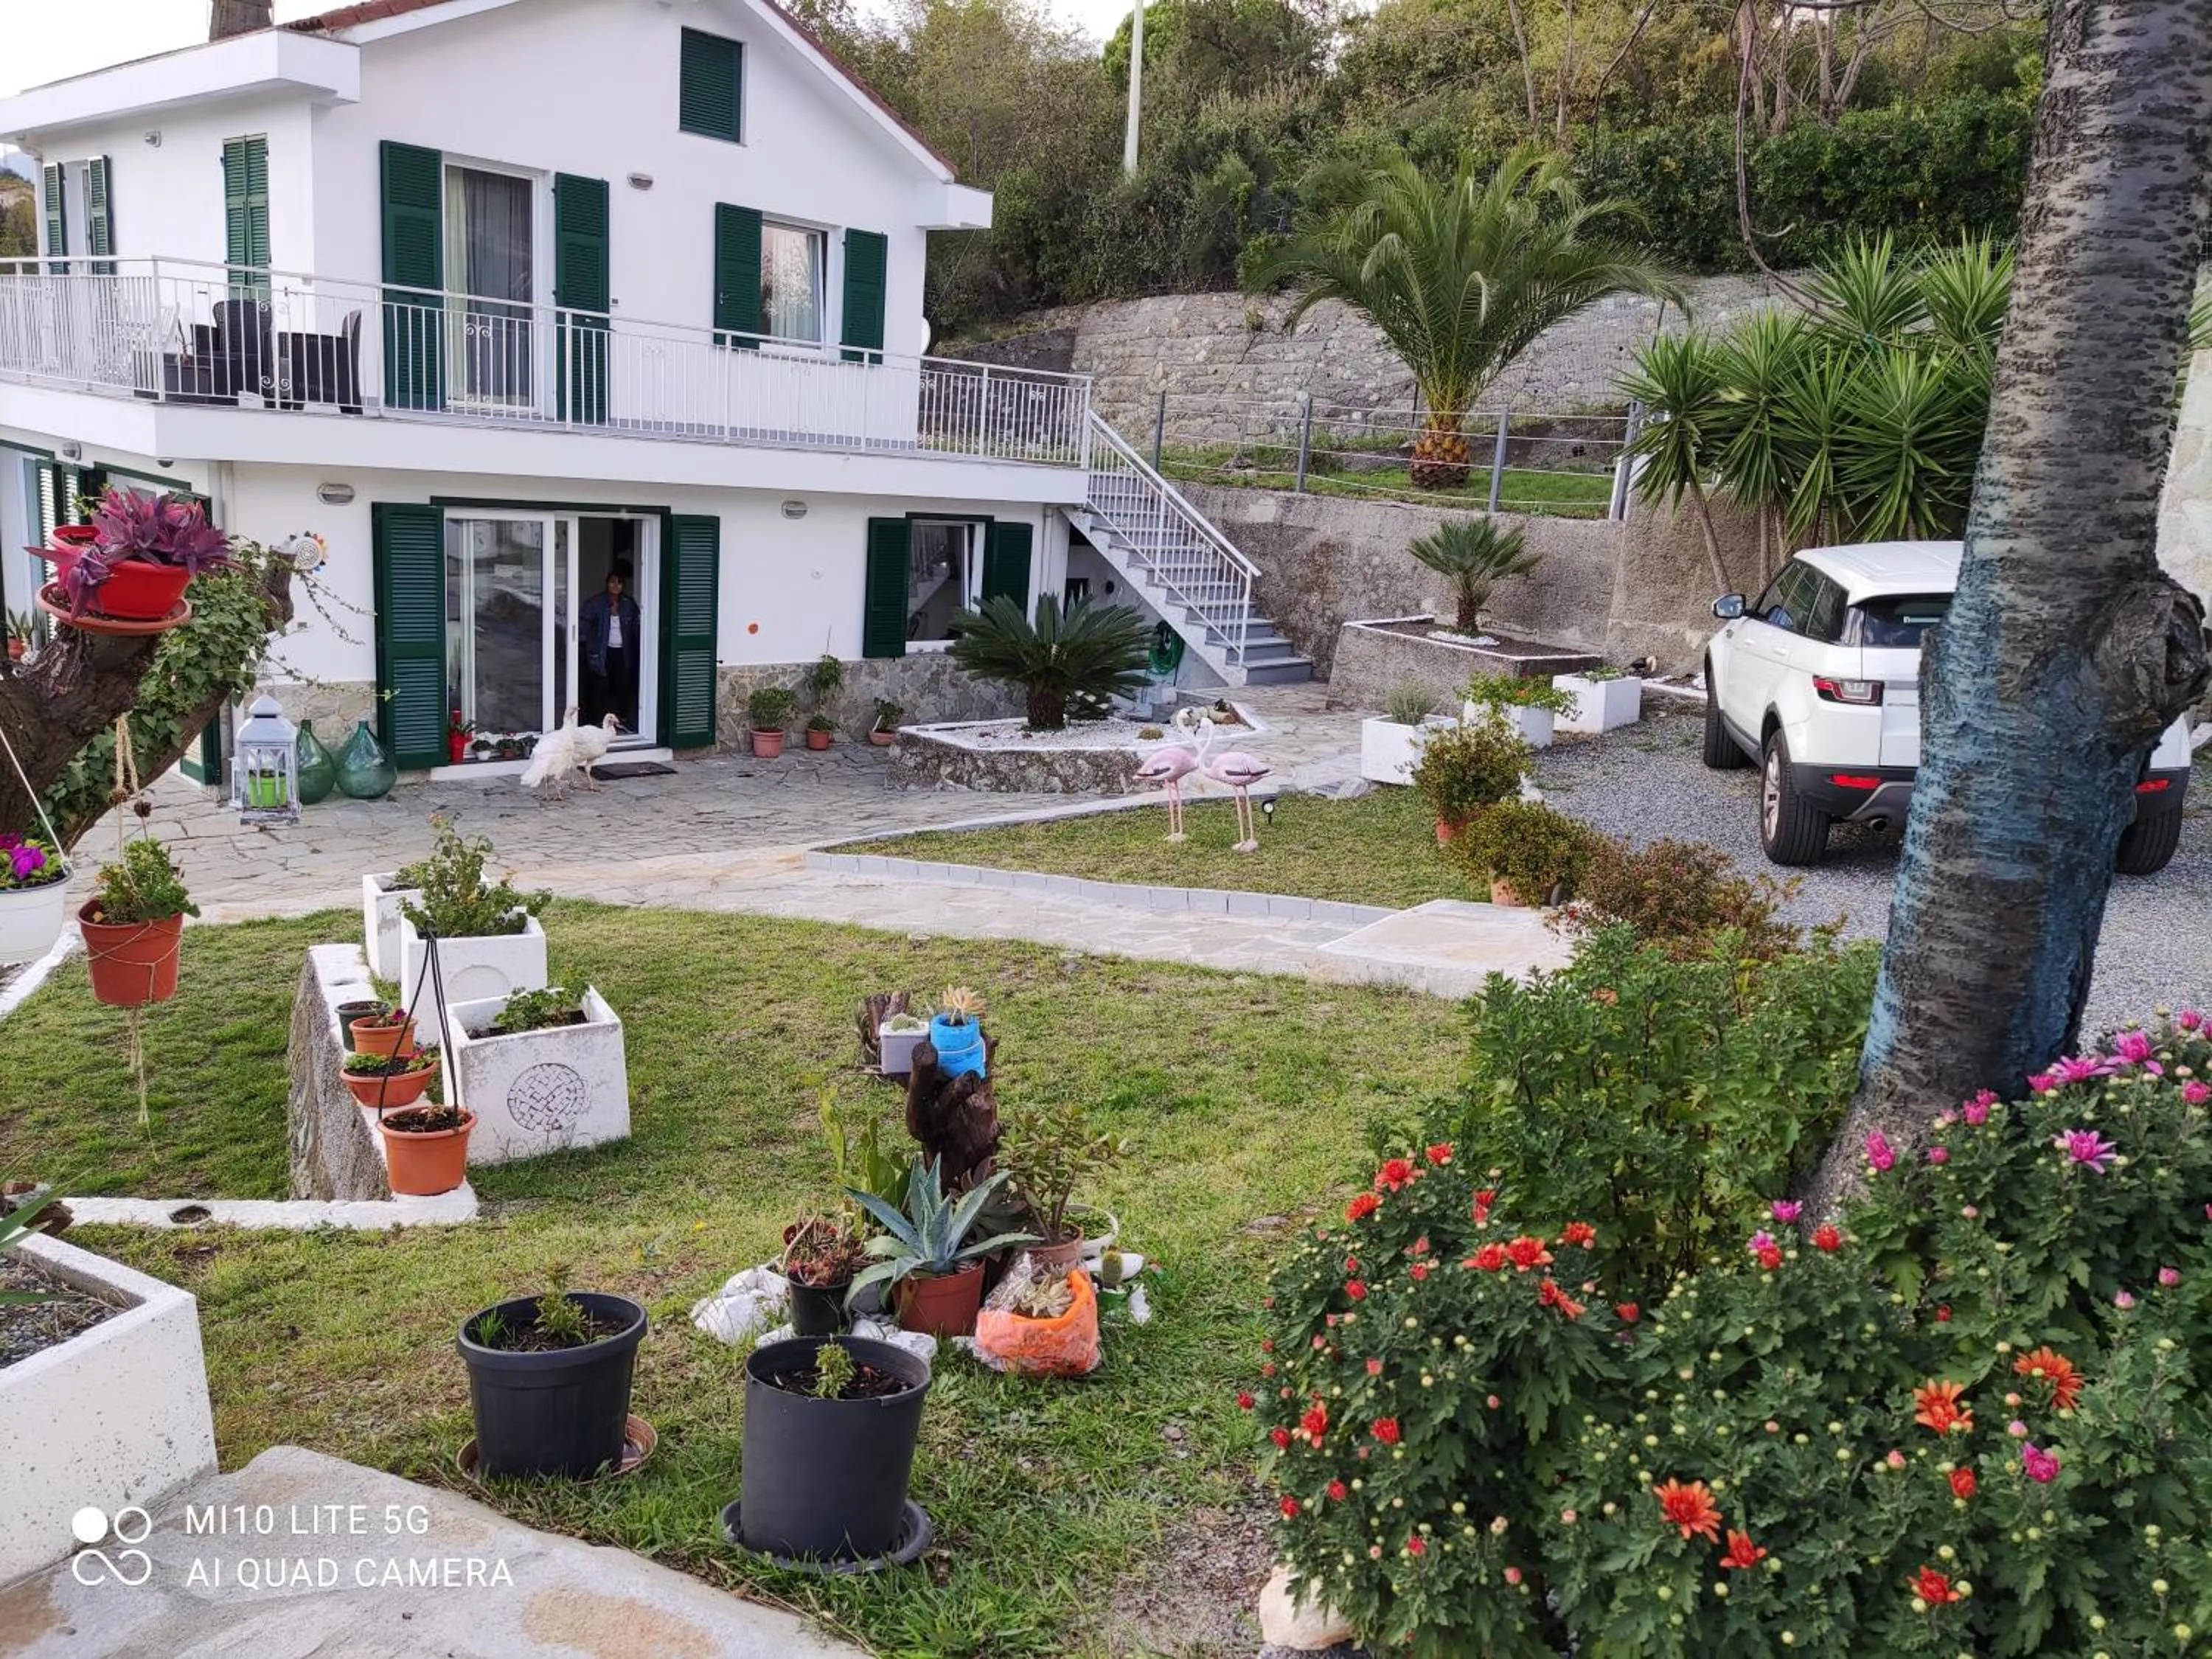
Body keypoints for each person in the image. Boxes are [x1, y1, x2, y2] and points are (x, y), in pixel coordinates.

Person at [580, 560, 641, 732]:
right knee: (601, 688)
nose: (616, 585)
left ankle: (620, 721)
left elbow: (637, 629)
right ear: (607, 583)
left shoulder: (628, 605)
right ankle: (600, 722)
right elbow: (582, 626)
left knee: (623, 688)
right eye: (613, 581)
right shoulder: (596, 603)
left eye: (619, 582)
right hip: (602, 653)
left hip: (623, 653)